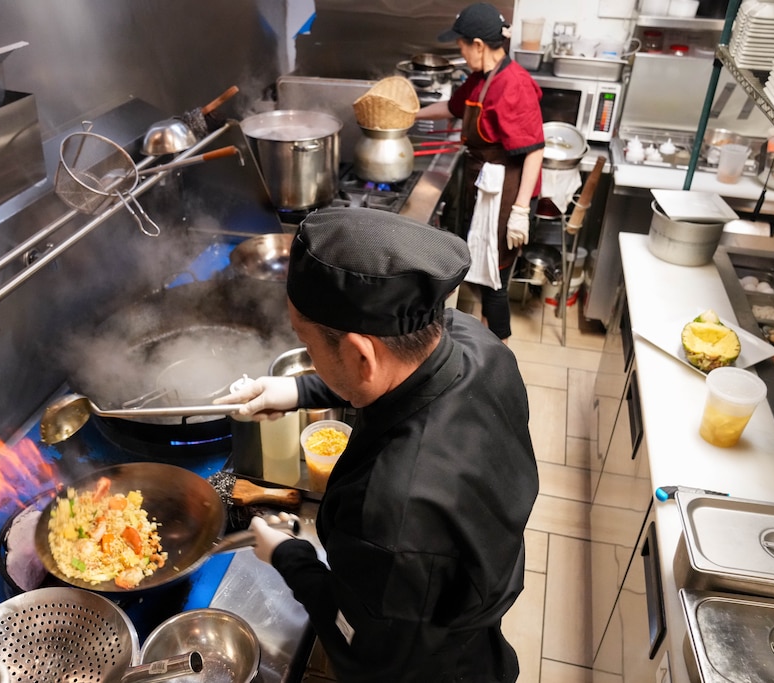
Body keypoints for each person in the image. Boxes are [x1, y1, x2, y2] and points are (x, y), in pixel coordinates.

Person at [215, 207, 539, 682]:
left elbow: (362, 650)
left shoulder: (393, 514)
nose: (310, 359)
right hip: (465, 613)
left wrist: (287, 554)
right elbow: (398, 376)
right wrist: (298, 391)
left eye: (310, 347)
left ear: (360, 354)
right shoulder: (478, 345)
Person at [416, 2, 545, 342]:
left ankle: (497, 352)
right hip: (485, 181)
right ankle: (486, 344)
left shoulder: (513, 85)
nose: (459, 51)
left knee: (496, 278)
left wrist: (519, 212)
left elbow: (534, 151)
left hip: (506, 191)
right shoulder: (480, 78)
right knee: (486, 273)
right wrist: (411, 114)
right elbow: (452, 107)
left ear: (477, 45)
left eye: (460, 45)